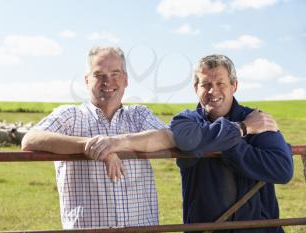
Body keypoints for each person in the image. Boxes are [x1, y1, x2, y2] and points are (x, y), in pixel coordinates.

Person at [21, 46, 175, 229]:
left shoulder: (138, 115)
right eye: (99, 74)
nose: (107, 81)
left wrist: (116, 143)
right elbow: (30, 139)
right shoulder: (70, 116)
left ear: (126, 80)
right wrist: (91, 146)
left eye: (115, 73)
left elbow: (169, 137)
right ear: (87, 80)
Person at [170, 54, 294, 233]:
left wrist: (224, 145)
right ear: (196, 88)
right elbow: (185, 138)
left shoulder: (257, 119)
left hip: (259, 230)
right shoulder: (185, 121)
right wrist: (242, 130)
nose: (213, 91)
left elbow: (283, 170)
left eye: (220, 83)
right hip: (206, 229)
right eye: (206, 84)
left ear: (234, 86)